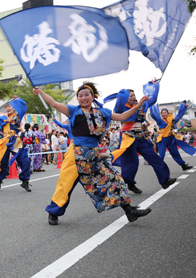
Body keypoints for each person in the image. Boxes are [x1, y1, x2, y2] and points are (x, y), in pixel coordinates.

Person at [34, 82, 152, 225]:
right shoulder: (73, 111)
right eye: (80, 96)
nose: (83, 98)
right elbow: (53, 102)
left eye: (86, 94)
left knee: (112, 179)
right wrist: (40, 92)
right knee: (65, 185)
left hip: (94, 155)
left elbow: (122, 117)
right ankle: (53, 212)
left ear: (92, 96)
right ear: (77, 99)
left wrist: (138, 105)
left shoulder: (102, 112)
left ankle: (130, 211)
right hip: (75, 154)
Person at [108, 80, 177, 194]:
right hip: (128, 137)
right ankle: (130, 183)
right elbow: (119, 106)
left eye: (134, 94)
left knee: (154, 156)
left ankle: (164, 180)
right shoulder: (122, 108)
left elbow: (152, 99)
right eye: (130, 95)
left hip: (141, 136)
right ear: (124, 98)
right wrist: (123, 94)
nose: (134, 97)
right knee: (132, 162)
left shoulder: (141, 105)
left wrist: (155, 86)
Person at [0, 97, 32, 192]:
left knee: (25, 161)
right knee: (2, 162)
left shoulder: (18, 116)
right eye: (6, 107)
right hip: (5, 141)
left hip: (16, 141)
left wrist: (18, 99)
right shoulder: (3, 117)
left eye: (10, 106)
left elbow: (23, 107)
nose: (8, 108)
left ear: (14, 107)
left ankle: (25, 181)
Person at [150, 102, 196, 170]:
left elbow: (180, 115)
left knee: (175, 152)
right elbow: (153, 115)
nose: (163, 114)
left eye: (165, 112)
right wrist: (151, 106)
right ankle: (158, 167)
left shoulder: (172, 120)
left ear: (168, 113)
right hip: (162, 139)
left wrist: (184, 107)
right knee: (162, 154)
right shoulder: (160, 120)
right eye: (162, 113)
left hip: (170, 138)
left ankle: (183, 165)